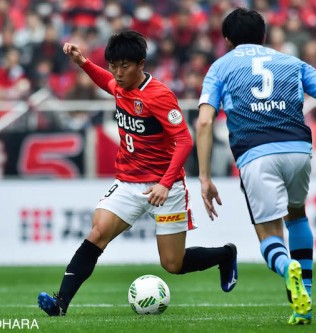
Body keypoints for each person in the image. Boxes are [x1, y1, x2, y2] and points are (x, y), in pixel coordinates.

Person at [196, 8, 316, 325]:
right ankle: (304, 300)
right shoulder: (291, 62)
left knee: (269, 234)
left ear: (227, 40)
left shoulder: (220, 68)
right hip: (298, 149)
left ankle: (287, 268)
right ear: (264, 37)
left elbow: (203, 122)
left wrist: (204, 177)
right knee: (297, 214)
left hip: (256, 153)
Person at [37, 30, 238, 316]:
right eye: (113, 65)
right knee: (98, 233)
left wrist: (165, 184)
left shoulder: (159, 95)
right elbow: (105, 81)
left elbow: (185, 140)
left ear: (141, 63)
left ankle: (225, 254)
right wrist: (82, 61)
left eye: (124, 66)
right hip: (128, 183)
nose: (117, 73)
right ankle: (60, 304)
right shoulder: (119, 84)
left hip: (165, 188)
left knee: (173, 264)